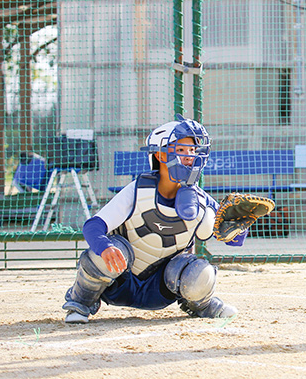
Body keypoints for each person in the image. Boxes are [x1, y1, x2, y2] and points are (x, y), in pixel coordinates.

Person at [62, 115, 238, 324]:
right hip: (119, 281)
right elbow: (93, 226)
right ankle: (80, 303)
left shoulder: (201, 199)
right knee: (109, 248)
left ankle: (203, 304)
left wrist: (239, 225)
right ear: (161, 155)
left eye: (192, 150)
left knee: (200, 270)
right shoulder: (138, 190)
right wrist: (105, 247)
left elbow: (233, 239)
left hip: (162, 288)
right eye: (181, 150)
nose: (189, 156)